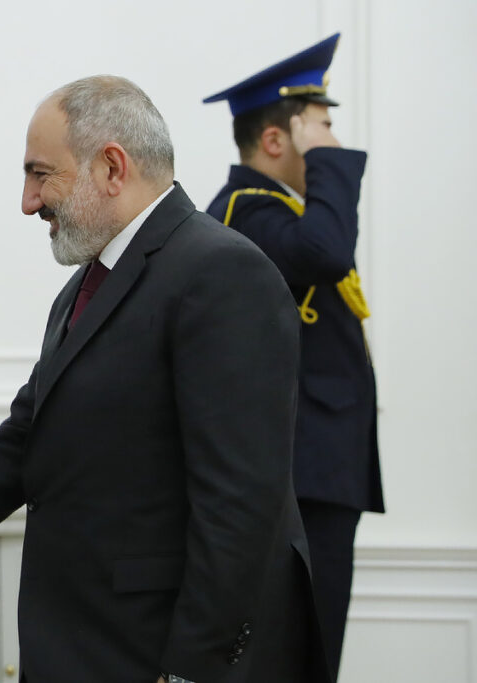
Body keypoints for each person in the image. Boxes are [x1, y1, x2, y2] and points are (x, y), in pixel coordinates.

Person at [0, 75, 329, 682]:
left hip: (159, 654)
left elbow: (240, 507)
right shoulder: (87, 286)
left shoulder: (223, 273)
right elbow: (25, 440)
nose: (29, 202)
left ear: (111, 167)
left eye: (40, 174)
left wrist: (193, 671)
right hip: (85, 644)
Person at [203, 34, 385, 680]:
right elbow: (327, 252)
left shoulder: (275, 213)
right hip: (296, 474)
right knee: (302, 657)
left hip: (314, 469)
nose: (332, 141)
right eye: (321, 127)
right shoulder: (247, 213)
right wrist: (329, 161)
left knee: (313, 649)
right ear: (278, 139)